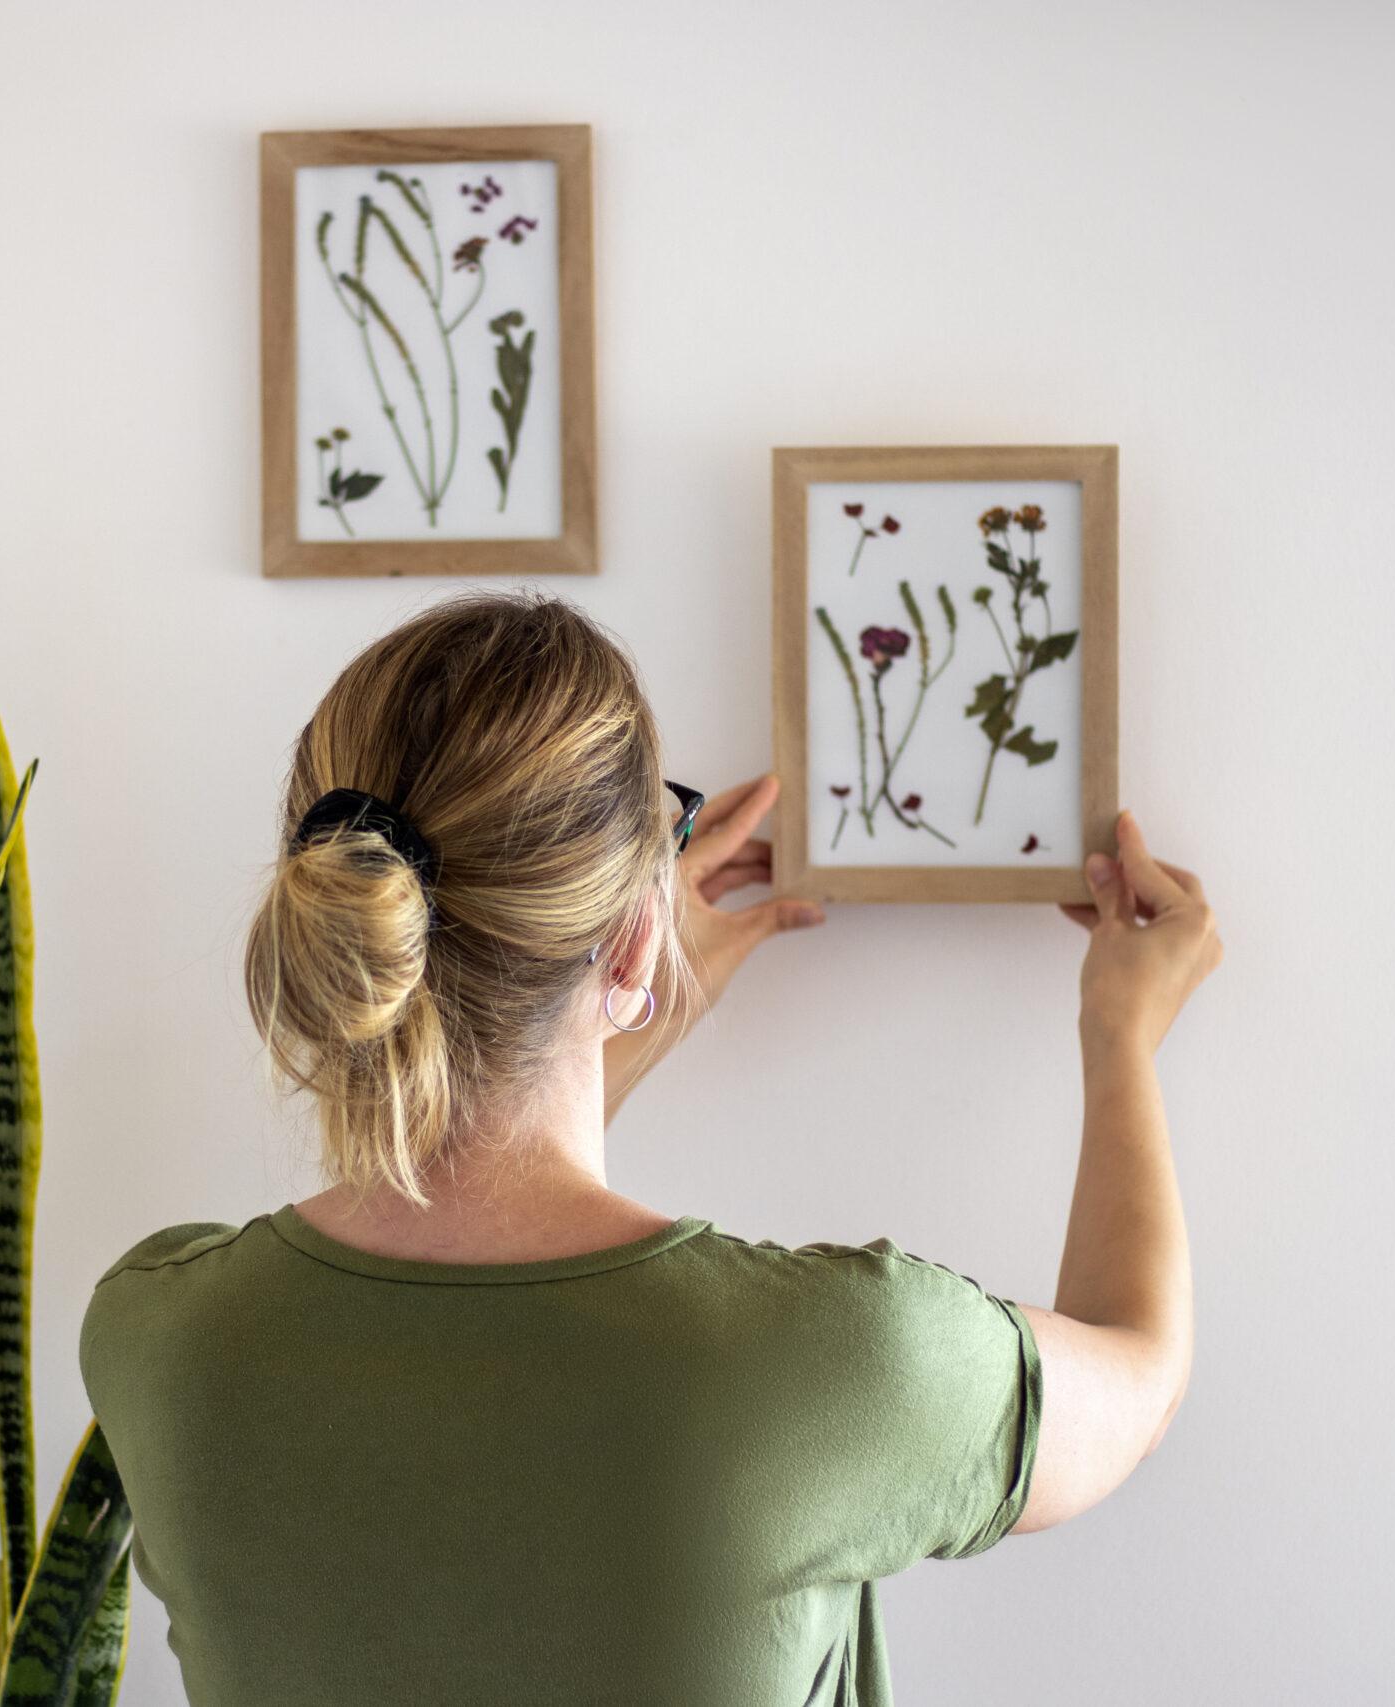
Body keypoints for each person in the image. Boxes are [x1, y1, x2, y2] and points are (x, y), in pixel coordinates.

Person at [78, 591, 1220, 1705]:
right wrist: (1119, 1030)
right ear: (633, 936)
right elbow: (1140, 1374)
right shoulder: (836, 1361)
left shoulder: (162, 1337)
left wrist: (635, 998)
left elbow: (464, 1259)